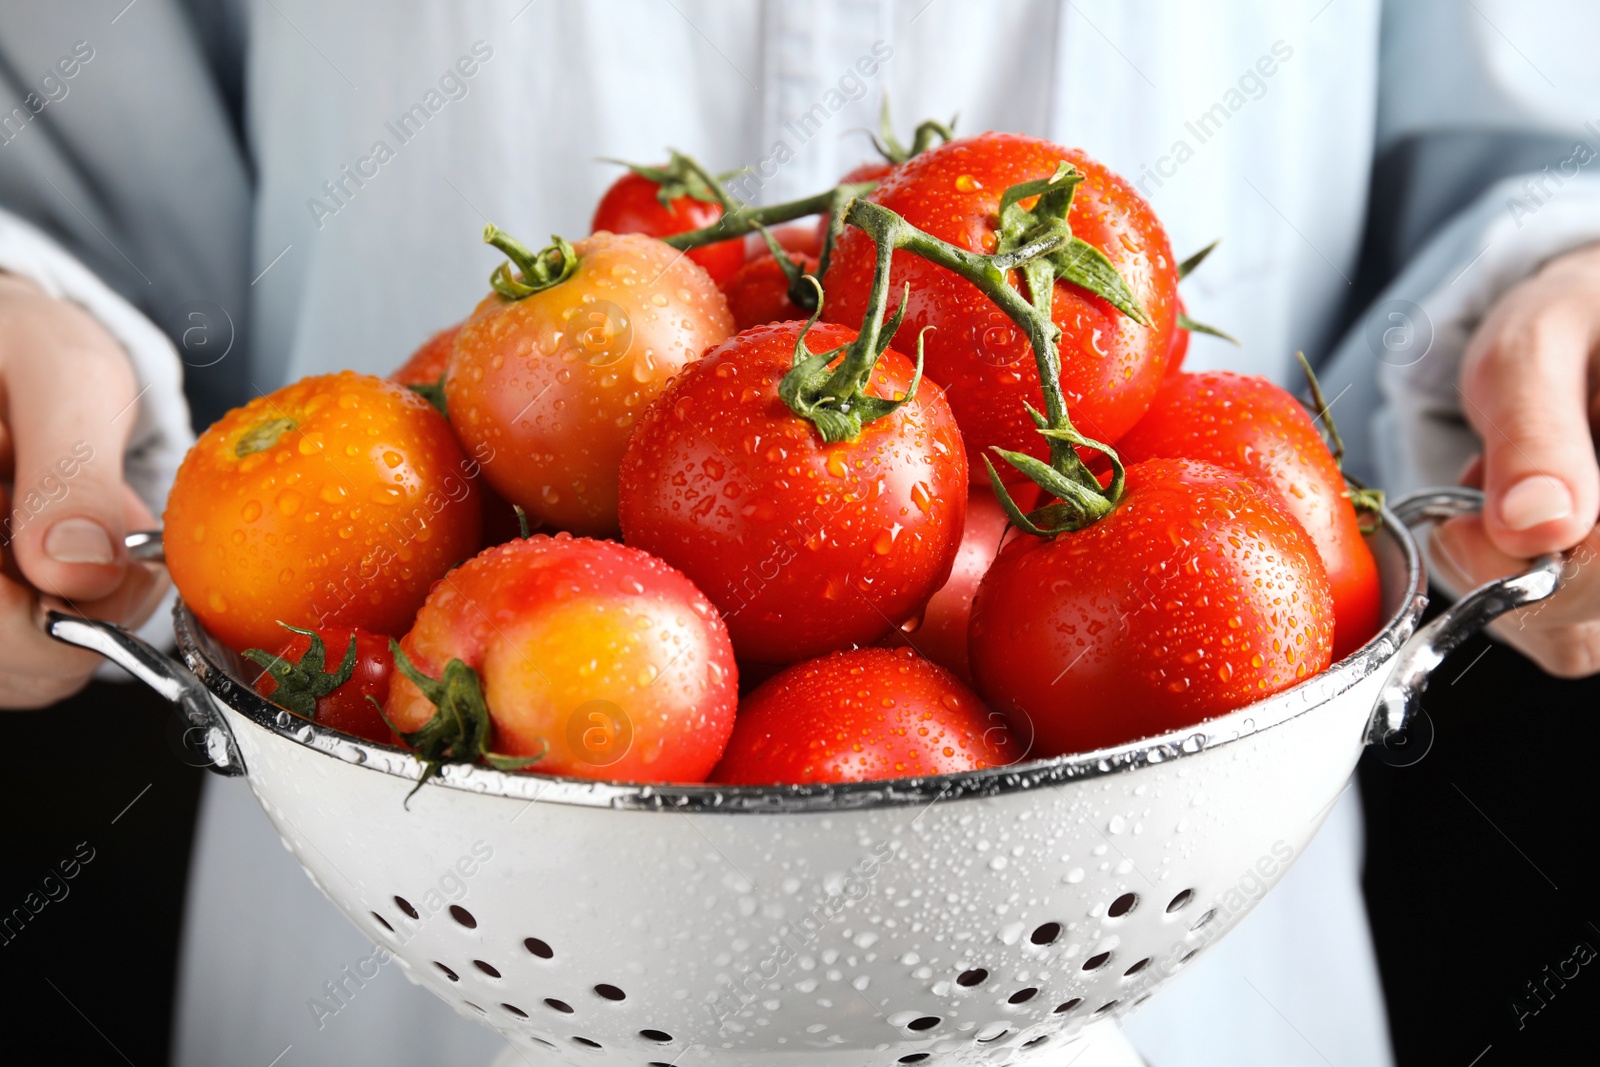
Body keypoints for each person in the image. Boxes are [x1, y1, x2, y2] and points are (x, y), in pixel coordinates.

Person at [3, 2, 1598, 1064]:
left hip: (1182, 917)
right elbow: (62, 137)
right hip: (395, 887)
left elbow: (1530, 125)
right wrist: (31, 324)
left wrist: (1546, 302)